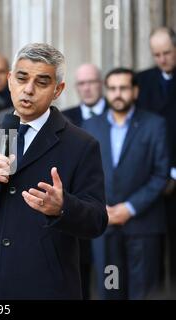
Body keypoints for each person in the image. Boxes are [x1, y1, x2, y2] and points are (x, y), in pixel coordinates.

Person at [0, 43, 108, 299]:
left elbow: (97, 221)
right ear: (10, 80)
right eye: (22, 78)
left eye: (42, 82)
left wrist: (63, 207)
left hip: (48, 287)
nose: (28, 89)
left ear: (58, 90)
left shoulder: (81, 144)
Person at [84, 68, 169, 299]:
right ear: (106, 92)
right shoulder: (90, 127)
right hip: (105, 225)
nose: (117, 94)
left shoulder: (154, 125)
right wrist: (100, 209)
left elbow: (162, 175)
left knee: (143, 293)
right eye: (112, 89)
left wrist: (129, 208)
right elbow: (84, 175)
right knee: (111, 289)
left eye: (123, 88)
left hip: (143, 228)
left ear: (135, 91)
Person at [62, 63, 108, 299]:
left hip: (113, 210)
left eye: (91, 82)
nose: (87, 88)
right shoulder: (64, 119)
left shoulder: (118, 112)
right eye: (82, 84)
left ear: (100, 84)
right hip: (76, 208)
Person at [136, 27, 176, 292]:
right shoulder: (142, 80)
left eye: (167, 53)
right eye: (157, 54)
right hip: (149, 178)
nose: (162, 59)